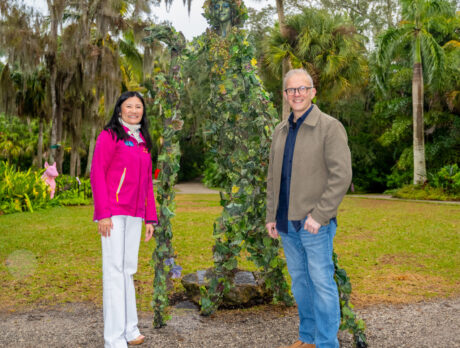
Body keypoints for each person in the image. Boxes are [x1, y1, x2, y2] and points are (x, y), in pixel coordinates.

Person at [266, 69, 352, 348]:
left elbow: (342, 175)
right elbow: (273, 177)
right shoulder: (280, 131)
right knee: (300, 285)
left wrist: (320, 215)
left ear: (313, 92)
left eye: (303, 88)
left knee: (322, 285)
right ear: (285, 95)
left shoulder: (329, 127)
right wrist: (271, 216)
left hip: (314, 223)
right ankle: (308, 337)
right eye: (291, 90)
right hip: (286, 224)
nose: (297, 94)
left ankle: (327, 343)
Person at [91, 91, 158, 348]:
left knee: (128, 270)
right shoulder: (110, 136)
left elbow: (147, 183)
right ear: (119, 109)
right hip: (113, 214)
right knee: (114, 273)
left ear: (143, 111)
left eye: (138, 106)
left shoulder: (142, 140)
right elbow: (97, 174)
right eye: (128, 106)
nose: (133, 110)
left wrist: (149, 218)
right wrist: (103, 214)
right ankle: (114, 339)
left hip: (134, 216)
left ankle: (130, 330)